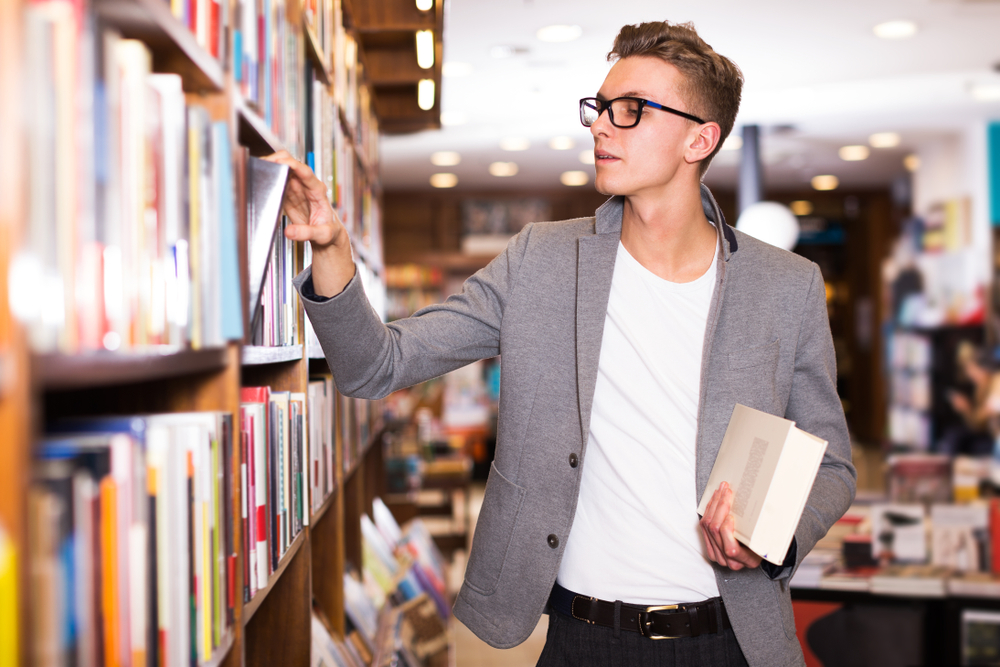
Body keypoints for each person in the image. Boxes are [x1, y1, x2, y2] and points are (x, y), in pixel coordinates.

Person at [268, 19, 856, 667]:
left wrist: (775, 537)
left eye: (631, 110)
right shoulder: (541, 262)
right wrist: (330, 246)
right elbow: (374, 364)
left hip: (732, 639)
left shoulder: (786, 285)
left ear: (700, 138)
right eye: (601, 108)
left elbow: (832, 465)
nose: (601, 125)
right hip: (584, 640)